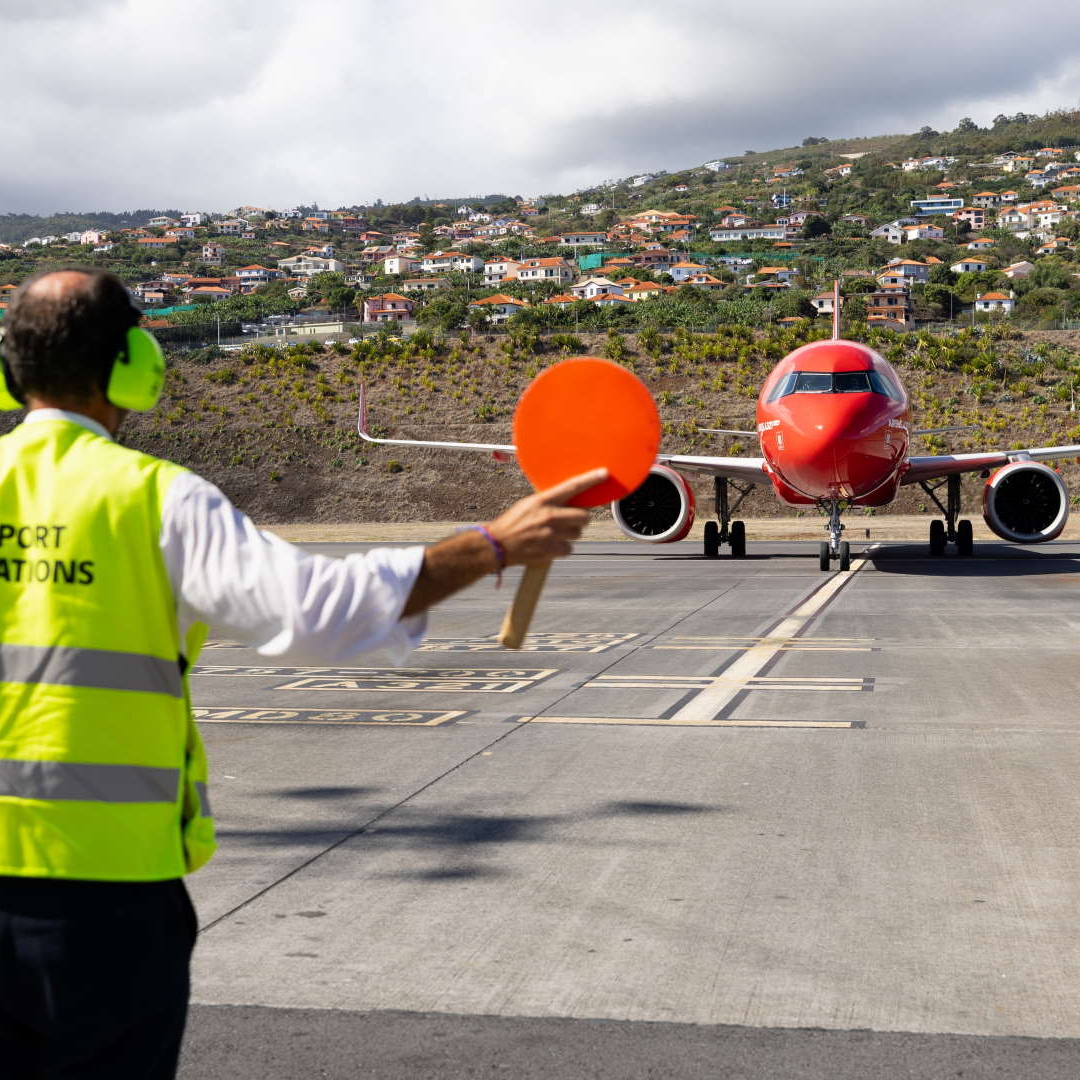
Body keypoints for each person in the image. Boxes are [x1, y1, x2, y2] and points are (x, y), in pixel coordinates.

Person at [0, 268, 603, 1079]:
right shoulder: (155, 501)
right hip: (104, 900)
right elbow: (319, 612)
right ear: (134, 366)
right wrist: (489, 546)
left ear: (12, 371)